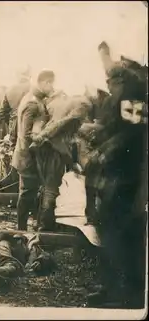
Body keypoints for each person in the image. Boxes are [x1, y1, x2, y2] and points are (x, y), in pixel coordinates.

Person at [83, 42, 148, 309]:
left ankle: (125, 291)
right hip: (117, 173)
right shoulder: (123, 94)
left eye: (110, 81)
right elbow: (118, 127)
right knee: (109, 227)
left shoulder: (133, 92)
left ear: (120, 78)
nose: (108, 85)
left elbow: (133, 132)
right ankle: (114, 285)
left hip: (126, 175)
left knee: (119, 229)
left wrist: (104, 152)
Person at [29, 90, 95, 231]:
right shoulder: (83, 104)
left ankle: (41, 221)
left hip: (46, 147)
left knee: (46, 186)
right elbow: (61, 124)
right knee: (51, 188)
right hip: (53, 148)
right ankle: (45, 226)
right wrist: (42, 136)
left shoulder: (63, 102)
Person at [11, 70, 55, 231]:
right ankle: (21, 229)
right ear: (44, 83)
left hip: (28, 155)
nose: (52, 87)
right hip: (28, 156)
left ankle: (27, 226)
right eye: (51, 83)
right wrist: (44, 140)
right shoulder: (33, 103)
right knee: (27, 192)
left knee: (30, 191)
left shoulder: (33, 99)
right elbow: (25, 134)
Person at [0, 67, 32, 145]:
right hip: (30, 127)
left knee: (15, 152)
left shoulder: (10, 89)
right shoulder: (33, 88)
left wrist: (12, 121)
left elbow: (2, 113)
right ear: (29, 74)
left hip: (14, 128)